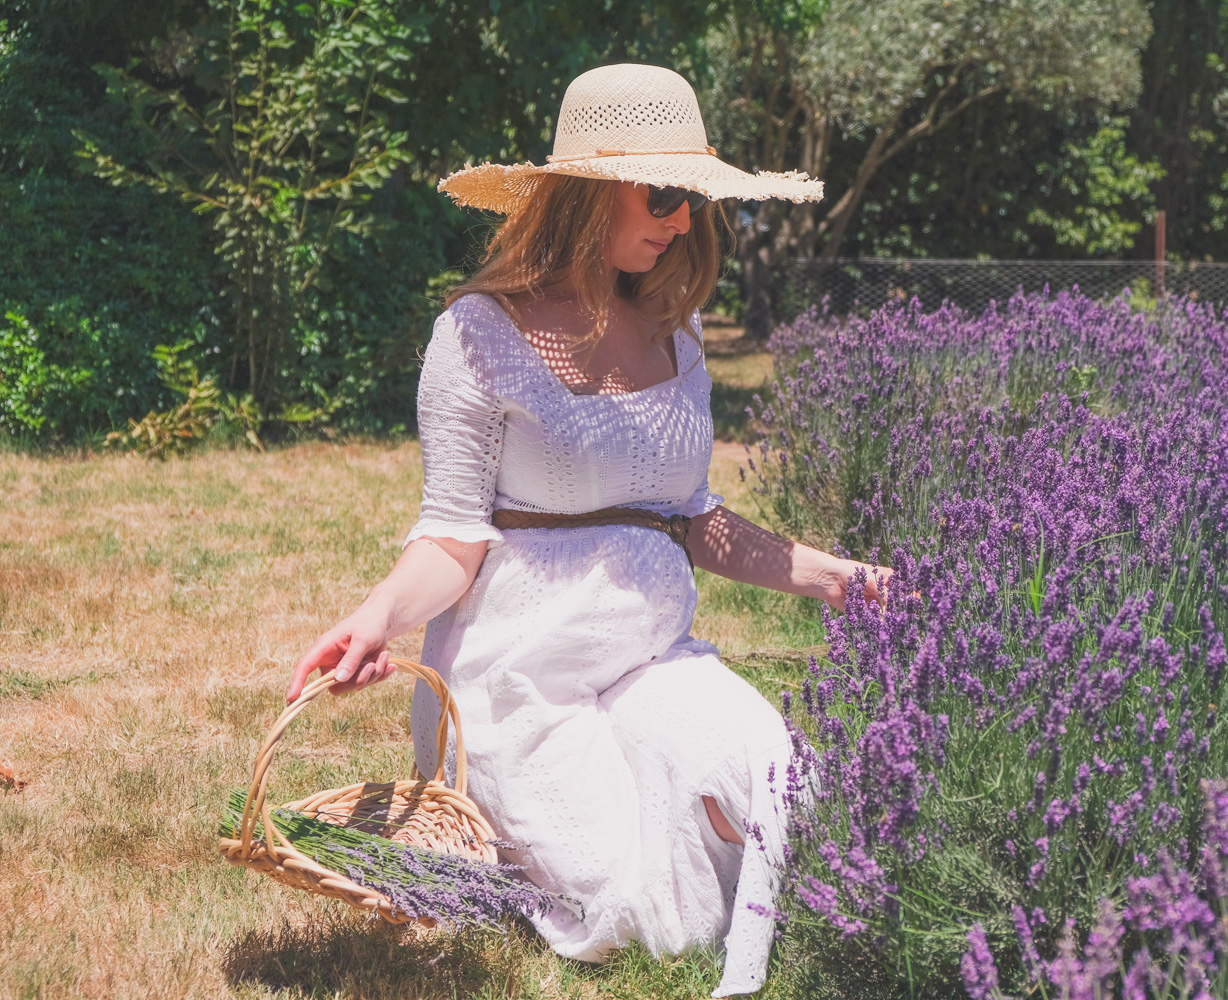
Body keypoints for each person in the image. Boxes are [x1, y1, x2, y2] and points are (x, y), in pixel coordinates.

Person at [284, 63, 887, 997]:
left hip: (651, 656)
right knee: (646, 917)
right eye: (667, 193)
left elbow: (692, 518)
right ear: (590, 193)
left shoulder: (677, 339)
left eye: (696, 200)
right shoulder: (480, 333)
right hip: (519, 677)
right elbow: (451, 537)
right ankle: (511, 839)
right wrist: (377, 619)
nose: (685, 219)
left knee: (781, 779)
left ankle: (669, 824)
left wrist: (840, 579)